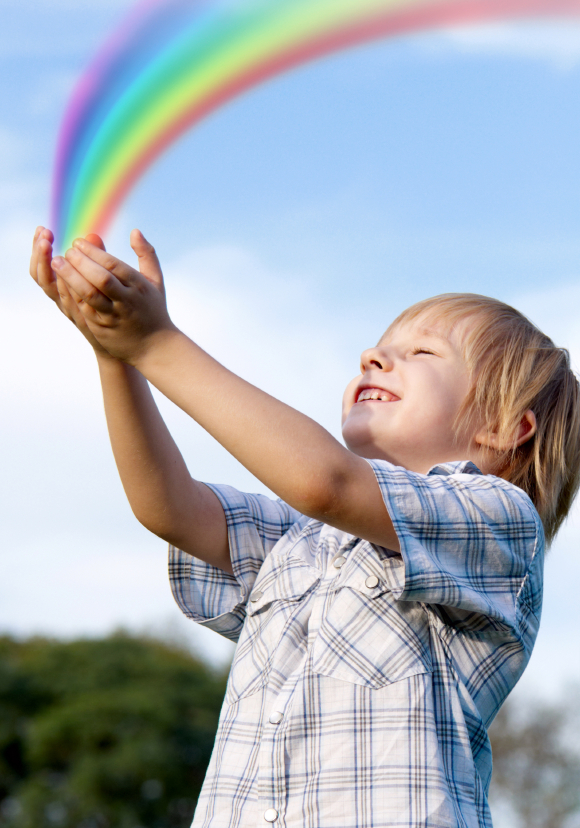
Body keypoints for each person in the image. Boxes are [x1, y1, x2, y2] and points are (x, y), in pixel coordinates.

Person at [30, 226, 580, 828]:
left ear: (505, 428)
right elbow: (169, 508)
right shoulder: (304, 538)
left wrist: (156, 342)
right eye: (378, 348)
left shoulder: (498, 522)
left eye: (423, 353)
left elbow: (325, 482)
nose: (373, 357)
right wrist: (116, 354)